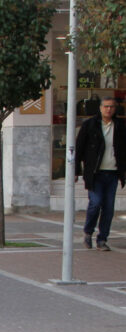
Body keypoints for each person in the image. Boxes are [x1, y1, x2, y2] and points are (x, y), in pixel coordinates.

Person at [75, 97, 125, 251]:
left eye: (111, 107)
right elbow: (79, 148)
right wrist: (76, 170)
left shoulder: (121, 126)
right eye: (106, 106)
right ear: (100, 108)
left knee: (108, 208)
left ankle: (102, 239)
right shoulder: (90, 125)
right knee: (95, 204)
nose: (108, 109)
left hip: (112, 173)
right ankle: (88, 232)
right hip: (95, 173)